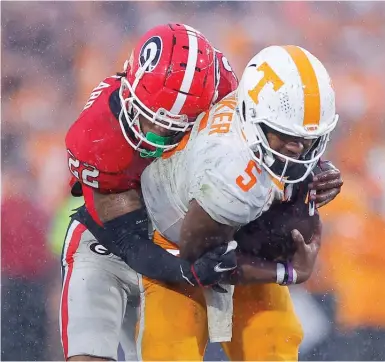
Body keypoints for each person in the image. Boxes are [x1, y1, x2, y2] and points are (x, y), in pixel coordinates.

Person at [131, 44, 340, 360]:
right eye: (286, 135)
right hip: (174, 244)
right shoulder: (230, 171)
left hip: (233, 230)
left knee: (274, 344)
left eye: (308, 140)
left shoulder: (268, 123)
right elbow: (200, 265)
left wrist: (316, 172)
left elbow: (294, 145)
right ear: (254, 118)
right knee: (172, 351)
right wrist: (287, 273)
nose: (298, 149)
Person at [61, 23, 239, 361]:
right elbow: (127, 241)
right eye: (146, 119)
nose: (152, 136)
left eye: (170, 130)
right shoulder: (95, 137)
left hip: (177, 238)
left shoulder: (226, 97)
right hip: (106, 241)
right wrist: (186, 270)